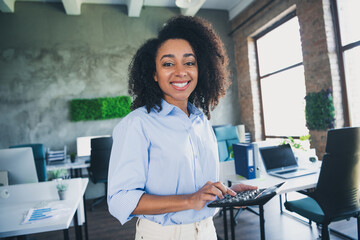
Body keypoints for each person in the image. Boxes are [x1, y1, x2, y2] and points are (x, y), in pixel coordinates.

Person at [107, 15, 257, 240]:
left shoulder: (201, 122)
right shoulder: (138, 124)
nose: (180, 71)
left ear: (201, 69)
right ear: (154, 74)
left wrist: (227, 195)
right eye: (168, 63)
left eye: (189, 62)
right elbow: (119, 200)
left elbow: (198, 187)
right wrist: (189, 200)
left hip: (207, 231)